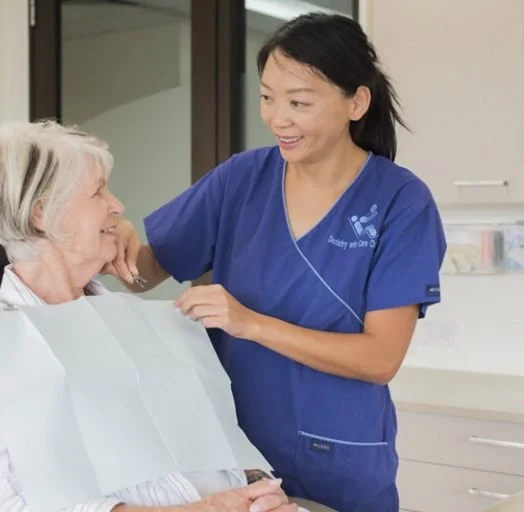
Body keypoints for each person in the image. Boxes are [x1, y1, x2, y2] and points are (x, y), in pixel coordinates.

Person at [107, 13, 447, 512]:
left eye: (298, 103)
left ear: (357, 102)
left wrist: (250, 324)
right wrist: (113, 238)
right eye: (267, 97)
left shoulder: (401, 201)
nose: (277, 118)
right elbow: (141, 276)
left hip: (341, 463)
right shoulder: (242, 180)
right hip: (233, 454)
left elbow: (380, 359)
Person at [0, 120, 301, 512]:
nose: (118, 206)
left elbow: (224, 447)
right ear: (43, 215)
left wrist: (259, 490)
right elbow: (12, 507)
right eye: (97, 192)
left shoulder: (151, 326)